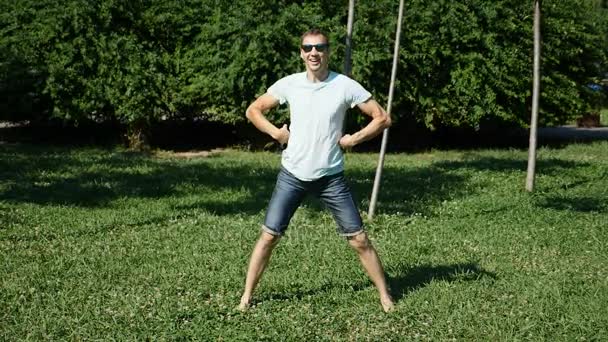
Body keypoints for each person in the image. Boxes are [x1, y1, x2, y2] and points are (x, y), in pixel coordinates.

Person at [239, 29, 394, 313]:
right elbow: (253, 110)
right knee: (269, 236)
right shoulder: (290, 84)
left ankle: (385, 296)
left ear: (327, 51)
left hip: (331, 178)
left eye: (319, 47)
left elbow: (382, 117)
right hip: (292, 175)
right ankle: (246, 297)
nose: (314, 52)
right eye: (308, 48)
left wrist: (353, 139)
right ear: (301, 52)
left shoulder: (344, 86)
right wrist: (277, 134)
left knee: (359, 239)